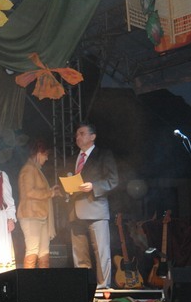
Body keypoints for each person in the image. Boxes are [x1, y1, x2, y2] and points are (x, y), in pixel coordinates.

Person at [67, 122, 118, 289]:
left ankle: (103, 287)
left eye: (82, 133)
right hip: (75, 211)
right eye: (77, 134)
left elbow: (113, 180)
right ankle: (84, 287)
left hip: (95, 208)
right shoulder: (74, 157)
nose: (78, 137)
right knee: (79, 253)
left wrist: (93, 186)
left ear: (92, 136)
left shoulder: (103, 155)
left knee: (101, 251)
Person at [17, 140, 59, 268]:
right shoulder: (29, 169)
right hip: (30, 215)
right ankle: (28, 280)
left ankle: (43, 279)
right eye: (45, 155)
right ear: (39, 153)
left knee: (44, 252)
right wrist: (50, 193)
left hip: (40, 215)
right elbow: (29, 192)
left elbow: (36, 191)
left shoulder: (35, 169)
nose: (47, 158)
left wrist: (50, 191)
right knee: (33, 250)